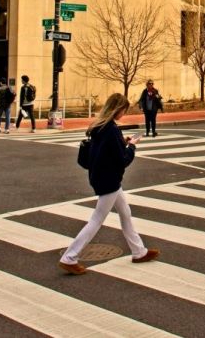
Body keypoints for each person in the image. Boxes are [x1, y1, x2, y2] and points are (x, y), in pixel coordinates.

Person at [58, 93, 159, 275]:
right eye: (123, 110)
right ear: (118, 109)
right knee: (97, 219)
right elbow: (122, 160)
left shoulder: (100, 126)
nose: (124, 114)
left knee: (125, 213)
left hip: (100, 176)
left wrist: (124, 142)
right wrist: (132, 146)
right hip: (109, 179)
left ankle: (138, 251)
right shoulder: (111, 130)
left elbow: (106, 149)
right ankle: (69, 257)